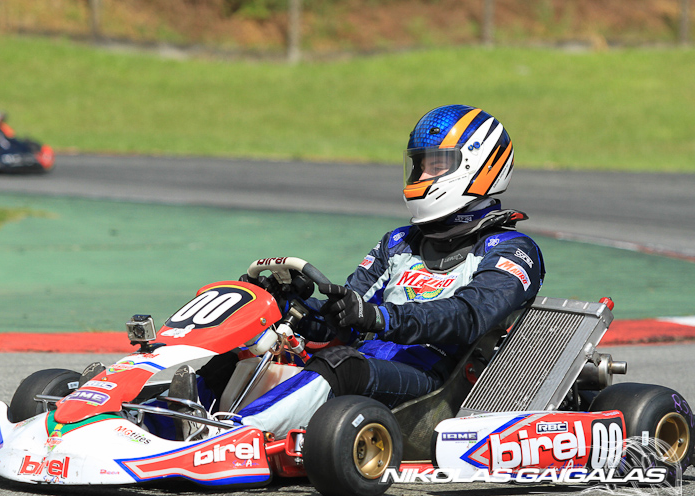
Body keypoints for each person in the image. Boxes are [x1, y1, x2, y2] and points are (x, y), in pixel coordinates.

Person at [171, 104, 545, 440]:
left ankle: (233, 437)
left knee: (342, 365)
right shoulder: (400, 242)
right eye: (419, 165)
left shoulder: (512, 249)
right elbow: (345, 320)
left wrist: (380, 317)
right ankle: (167, 422)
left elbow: (468, 317)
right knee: (251, 347)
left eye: (435, 165)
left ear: (476, 167)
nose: (421, 174)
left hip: (435, 386)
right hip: (370, 364)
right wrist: (295, 305)